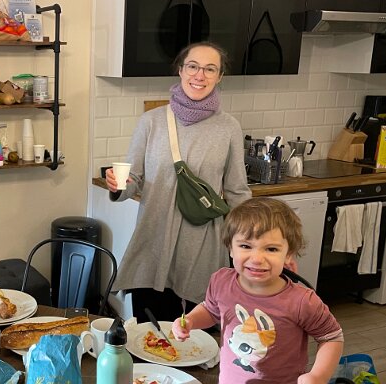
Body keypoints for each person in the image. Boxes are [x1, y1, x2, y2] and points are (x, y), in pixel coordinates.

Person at [106, 41, 251, 322]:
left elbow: (237, 191)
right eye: (193, 66)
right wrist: (118, 185)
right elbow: (134, 179)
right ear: (181, 70)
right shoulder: (151, 121)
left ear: (220, 76)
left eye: (210, 69)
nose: (200, 75)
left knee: (195, 335)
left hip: (202, 245)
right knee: (149, 334)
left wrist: (251, 242)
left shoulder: (229, 127)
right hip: (153, 239)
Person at [171, 198, 343, 383]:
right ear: (230, 248)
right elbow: (211, 310)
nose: (257, 259)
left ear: (288, 254)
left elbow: (331, 337)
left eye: (271, 249)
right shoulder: (221, 281)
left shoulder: (302, 301)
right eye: (245, 246)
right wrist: (191, 321)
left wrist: (318, 376)